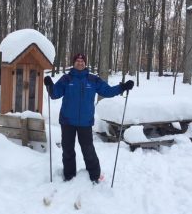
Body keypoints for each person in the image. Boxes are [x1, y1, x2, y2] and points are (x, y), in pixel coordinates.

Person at [44, 53, 134, 184]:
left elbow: (107, 91)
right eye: (77, 61)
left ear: (85, 64)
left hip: (85, 122)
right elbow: (55, 94)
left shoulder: (93, 80)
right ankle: (69, 176)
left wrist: (122, 87)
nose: (80, 63)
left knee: (88, 150)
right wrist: (50, 86)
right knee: (67, 150)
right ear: (74, 63)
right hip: (67, 121)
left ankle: (94, 175)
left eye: (82, 61)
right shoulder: (66, 79)